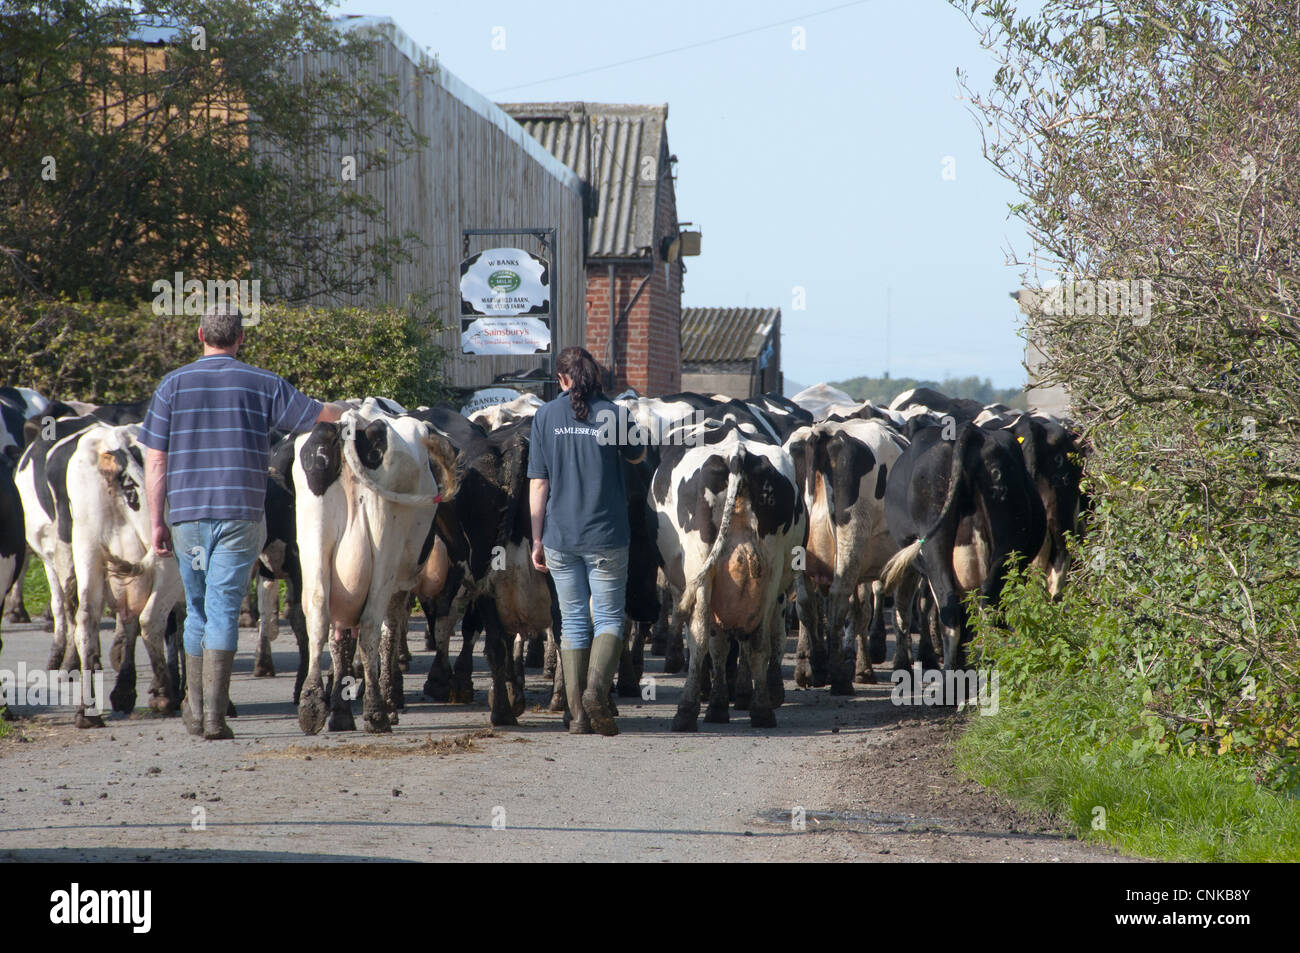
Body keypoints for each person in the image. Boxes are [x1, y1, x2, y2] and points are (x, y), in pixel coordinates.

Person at [140, 303, 347, 740]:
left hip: (187, 516)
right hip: (241, 515)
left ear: (200, 335)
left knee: (195, 609)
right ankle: (214, 719)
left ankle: (196, 715)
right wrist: (346, 407)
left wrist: (156, 520)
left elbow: (155, 461)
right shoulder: (263, 383)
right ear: (241, 339)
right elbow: (316, 416)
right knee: (223, 611)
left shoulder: (171, 385)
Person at [528, 346, 645, 735]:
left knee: (573, 622)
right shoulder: (613, 414)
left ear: (562, 379)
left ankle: (578, 716)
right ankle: (597, 691)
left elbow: (539, 484)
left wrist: (536, 539)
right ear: (593, 376)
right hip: (607, 534)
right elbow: (637, 455)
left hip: (560, 535)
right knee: (609, 617)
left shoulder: (544, 417)